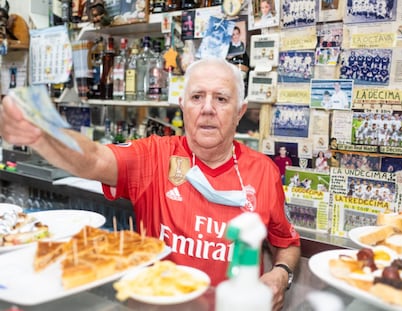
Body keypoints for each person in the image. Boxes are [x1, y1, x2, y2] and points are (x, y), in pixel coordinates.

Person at [0, 58, 300, 310]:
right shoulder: (153, 156)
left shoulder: (263, 171)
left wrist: (281, 274)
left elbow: (286, 243)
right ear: (182, 104)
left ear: (240, 111)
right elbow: (91, 159)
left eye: (221, 99)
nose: (207, 108)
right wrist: (42, 133)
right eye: (197, 97)